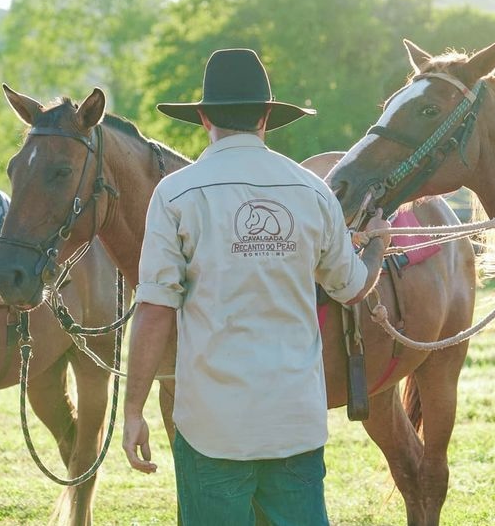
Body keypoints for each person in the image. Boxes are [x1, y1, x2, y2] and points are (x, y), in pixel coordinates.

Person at [122, 48, 391, 526]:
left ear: (203, 118)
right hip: (294, 426)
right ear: (267, 116)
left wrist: (134, 410)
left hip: (212, 429)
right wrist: (376, 248)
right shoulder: (312, 192)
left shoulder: (176, 195)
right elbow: (351, 288)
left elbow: (155, 308)